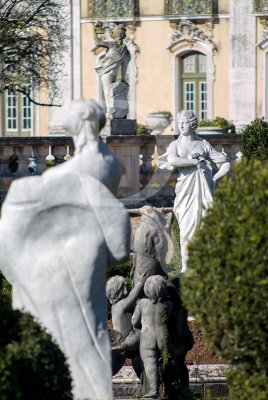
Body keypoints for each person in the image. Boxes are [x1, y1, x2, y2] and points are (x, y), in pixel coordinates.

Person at [0, 99, 130, 400]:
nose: (64, 118)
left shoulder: (99, 160)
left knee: (79, 326)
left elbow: (58, 185)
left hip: (78, 252)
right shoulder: (97, 159)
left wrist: (26, 190)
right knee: (76, 324)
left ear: (82, 118)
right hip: (73, 247)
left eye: (69, 114)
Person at [157, 110, 230, 273]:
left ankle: (205, 265)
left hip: (203, 189)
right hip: (185, 191)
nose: (181, 126)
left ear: (192, 124)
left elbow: (225, 163)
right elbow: (172, 160)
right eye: (179, 123)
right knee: (186, 228)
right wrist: (194, 161)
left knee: (203, 225)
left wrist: (214, 179)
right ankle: (187, 267)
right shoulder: (175, 144)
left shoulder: (204, 145)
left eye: (184, 122)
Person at [132, 275, 172, 399]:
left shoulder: (142, 303)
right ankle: (169, 388)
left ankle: (154, 390)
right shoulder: (168, 304)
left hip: (147, 337)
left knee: (150, 363)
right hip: (163, 336)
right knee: (167, 361)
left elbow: (134, 321)